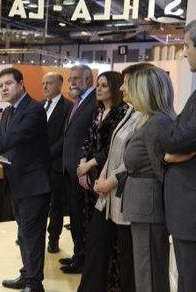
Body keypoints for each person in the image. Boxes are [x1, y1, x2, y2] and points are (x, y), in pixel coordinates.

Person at [0, 68, 50, 292]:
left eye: (8, 84)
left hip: (34, 185)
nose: (3, 88)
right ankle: (27, 275)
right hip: (18, 183)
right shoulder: (8, 112)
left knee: (32, 236)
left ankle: (35, 284)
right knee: (23, 235)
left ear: (21, 84)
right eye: (1, 85)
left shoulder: (34, 109)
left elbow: (15, 137)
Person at [78, 66, 148, 292]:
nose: (123, 88)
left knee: (124, 258)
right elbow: (112, 151)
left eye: (126, 83)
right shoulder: (127, 113)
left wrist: (109, 178)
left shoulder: (142, 117)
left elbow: (131, 158)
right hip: (104, 191)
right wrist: (94, 170)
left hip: (122, 196)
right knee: (95, 248)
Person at [122, 66, 176, 292]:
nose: (124, 89)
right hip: (143, 207)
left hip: (150, 209)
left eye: (130, 86)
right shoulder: (146, 120)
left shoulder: (157, 122)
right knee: (145, 271)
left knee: (149, 272)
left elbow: (164, 171)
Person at [159, 20, 196, 292]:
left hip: (190, 210)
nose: (184, 53)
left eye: (186, 46)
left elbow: (176, 138)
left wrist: (170, 149)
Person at [60, 64, 97, 274]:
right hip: (70, 170)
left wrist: (85, 165)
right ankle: (77, 254)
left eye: (76, 78)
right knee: (74, 215)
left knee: (81, 217)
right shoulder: (78, 102)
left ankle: (83, 259)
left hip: (82, 172)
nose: (71, 82)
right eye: (70, 78)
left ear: (88, 80)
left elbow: (92, 138)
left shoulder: (93, 103)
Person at [41, 72, 73, 253]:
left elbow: (65, 138)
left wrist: (47, 154)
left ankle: (53, 238)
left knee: (56, 204)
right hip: (37, 165)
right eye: (43, 83)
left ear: (60, 85)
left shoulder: (68, 107)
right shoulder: (39, 106)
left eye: (49, 83)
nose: (45, 86)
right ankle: (33, 235)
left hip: (55, 164)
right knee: (38, 202)